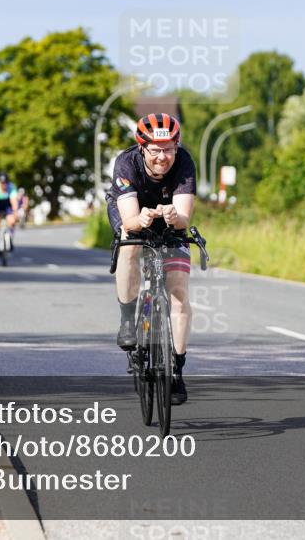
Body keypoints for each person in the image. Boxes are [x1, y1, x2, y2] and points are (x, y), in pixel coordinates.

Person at [105, 113, 195, 405]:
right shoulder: (126, 163)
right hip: (131, 213)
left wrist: (174, 216)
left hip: (168, 222)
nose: (162, 157)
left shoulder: (184, 162)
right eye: (155, 150)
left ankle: (177, 370)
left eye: (168, 149)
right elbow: (129, 219)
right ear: (142, 148)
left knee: (179, 291)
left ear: (176, 146)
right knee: (129, 246)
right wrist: (139, 219)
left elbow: (183, 217)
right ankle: (128, 319)